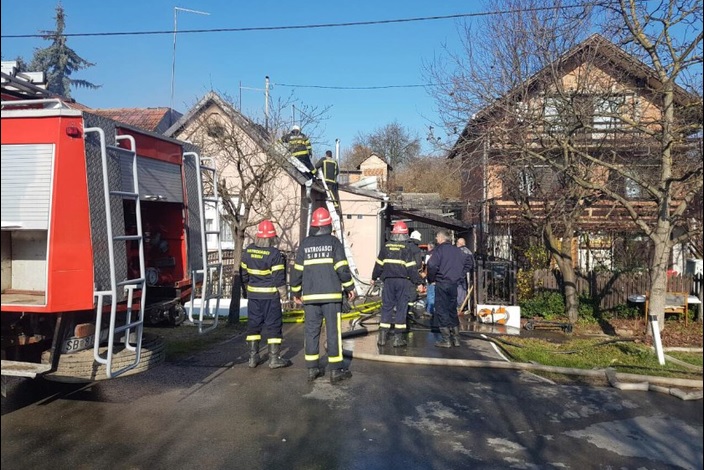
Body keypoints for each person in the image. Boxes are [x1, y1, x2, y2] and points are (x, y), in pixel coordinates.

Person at [290, 207, 357, 384]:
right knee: (333, 333)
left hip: (310, 298)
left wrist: (295, 291)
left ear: (313, 225)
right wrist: (350, 286)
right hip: (331, 298)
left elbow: (297, 271)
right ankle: (335, 371)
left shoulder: (305, 244)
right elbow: (342, 268)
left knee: (311, 332)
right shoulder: (334, 243)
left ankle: (312, 369)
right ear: (328, 225)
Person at [240, 220, 292, 369]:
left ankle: (252, 357)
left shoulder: (248, 251)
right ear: (271, 237)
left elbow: (243, 276)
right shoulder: (274, 254)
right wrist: (284, 297)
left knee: (253, 326)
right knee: (274, 326)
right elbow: (278, 279)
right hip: (270, 298)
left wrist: (246, 291)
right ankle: (274, 359)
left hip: (253, 297)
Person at [371, 221, 423, 347]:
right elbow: (411, 269)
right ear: (405, 234)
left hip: (388, 281)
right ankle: (398, 339)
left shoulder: (386, 247)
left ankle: (382, 337)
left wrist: (373, 277)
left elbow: (378, 265)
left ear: (393, 233)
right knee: (401, 308)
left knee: (386, 307)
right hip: (403, 282)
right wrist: (419, 283)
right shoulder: (407, 249)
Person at [426, 230, 473, 348]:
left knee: (441, 310)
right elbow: (469, 263)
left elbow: (431, 265)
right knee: (452, 310)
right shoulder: (458, 251)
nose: (436, 240)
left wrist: (431, 279)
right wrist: (460, 275)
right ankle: (456, 339)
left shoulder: (438, 251)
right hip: (453, 284)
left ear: (441, 239)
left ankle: (446, 339)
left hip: (442, 283)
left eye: (437, 237)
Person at [455, 237, 475, 314]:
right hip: (466, 274)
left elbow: (465, 264)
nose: (456, 244)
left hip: (461, 274)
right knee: (463, 289)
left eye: (457, 243)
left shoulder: (460, 251)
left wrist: (462, 273)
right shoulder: (468, 251)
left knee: (460, 290)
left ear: (461, 244)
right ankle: (463, 305)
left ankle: (460, 305)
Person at [423, 243, 435, 317]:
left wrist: (425, 274)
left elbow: (427, 265)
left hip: (431, 278)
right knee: (432, 294)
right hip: (436, 278)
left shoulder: (429, 255)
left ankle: (429, 311)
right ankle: (430, 309)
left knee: (430, 294)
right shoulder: (438, 254)